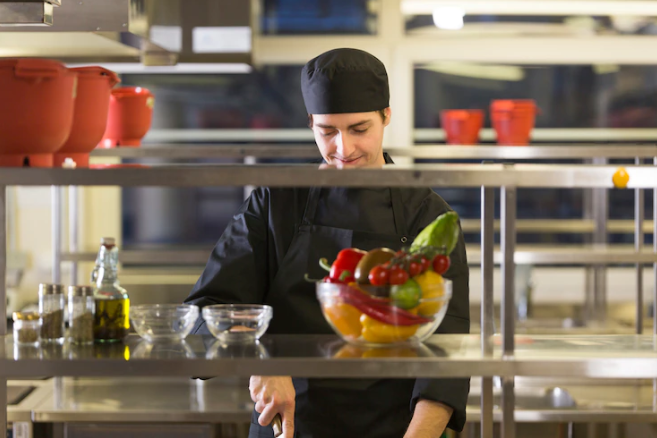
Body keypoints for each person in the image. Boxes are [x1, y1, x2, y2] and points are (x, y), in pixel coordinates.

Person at [185, 48, 470, 438]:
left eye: (359, 129)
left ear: (386, 116)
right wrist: (264, 360)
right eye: (327, 132)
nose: (344, 149)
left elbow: (447, 350)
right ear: (311, 124)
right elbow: (207, 311)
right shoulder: (276, 202)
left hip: (394, 426)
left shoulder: (427, 213)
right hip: (288, 425)